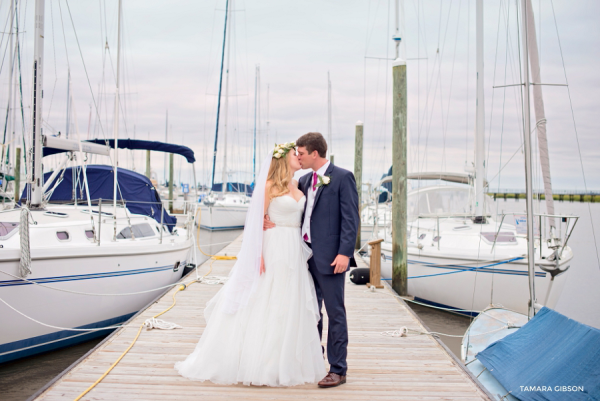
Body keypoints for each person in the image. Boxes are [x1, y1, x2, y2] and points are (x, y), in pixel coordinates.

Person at [175, 142, 326, 387]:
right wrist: (259, 255)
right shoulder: (268, 187)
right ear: (282, 159)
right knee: (267, 300)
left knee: (289, 302)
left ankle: (284, 361)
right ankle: (260, 363)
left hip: (294, 249)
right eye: (293, 154)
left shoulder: (298, 184)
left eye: (300, 154)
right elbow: (255, 222)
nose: (298, 157)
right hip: (273, 245)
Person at [264, 132, 359, 388]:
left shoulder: (342, 177)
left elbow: (351, 219)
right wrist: (264, 219)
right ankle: (314, 360)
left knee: (335, 312)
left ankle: (338, 369)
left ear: (314, 153)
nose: (299, 157)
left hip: (331, 258)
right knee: (310, 312)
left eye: (302, 153)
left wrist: (345, 253)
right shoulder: (303, 180)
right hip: (301, 256)